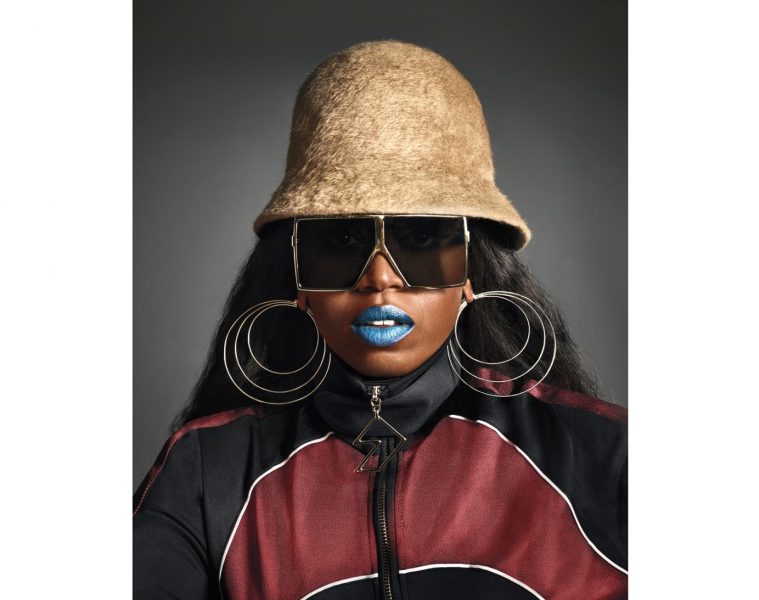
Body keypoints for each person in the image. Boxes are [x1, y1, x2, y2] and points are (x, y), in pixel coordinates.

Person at [133, 40, 627, 599]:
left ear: (473, 271)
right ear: (296, 277)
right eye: (342, 241)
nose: (380, 277)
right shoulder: (207, 469)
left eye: (421, 239)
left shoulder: (609, 456)